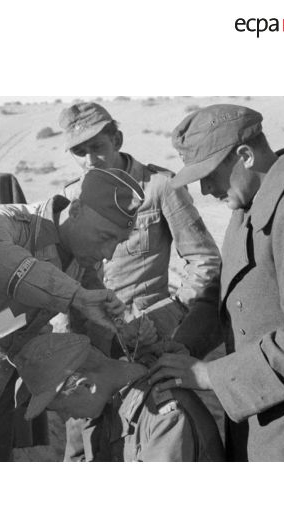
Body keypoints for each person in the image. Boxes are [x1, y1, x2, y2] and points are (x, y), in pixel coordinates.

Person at [0, 167, 143, 461]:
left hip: (1, 388)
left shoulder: (83, 254)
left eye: (118, 242)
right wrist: (73, 296)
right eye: (104, 237)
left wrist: (121, 324)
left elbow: (85, 306)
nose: (109, 253)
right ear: (75, 210)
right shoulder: (8, 222)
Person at [149, 104, 284, 461]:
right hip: (261, 420)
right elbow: (226, 294)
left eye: (210, 173)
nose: (205, 187)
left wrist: (210, 375)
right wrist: (183, 348)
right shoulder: (250, 203)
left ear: (244, 155)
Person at [58, 102, 222, 460]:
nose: (89, 160)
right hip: (89, 354)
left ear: (116, 139)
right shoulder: (72, 196)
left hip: (143, 350)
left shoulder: (159, 187)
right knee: (83, 448)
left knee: (142, 442)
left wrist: (168, 316)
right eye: (79, 152)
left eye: (97, 147)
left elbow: (205, 260)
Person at [14, 332, 224, 462]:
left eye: (64, 408)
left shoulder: (166, 417)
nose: (67, 417)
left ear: (87, 385)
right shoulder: (107, 400)